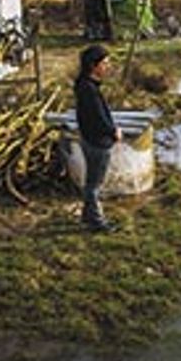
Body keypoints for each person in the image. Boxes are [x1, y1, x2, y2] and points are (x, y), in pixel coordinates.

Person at [74, 44, 120, 232]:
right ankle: (96, 222)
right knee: (94, 185)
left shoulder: (85, 85)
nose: (108, 67)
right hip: (97, 142)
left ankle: (87, 215)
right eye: (105, 63)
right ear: (94, 65)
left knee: (91, 181)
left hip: (89, 139)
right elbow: (98, 118)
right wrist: (113, 131)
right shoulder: (89, 90)